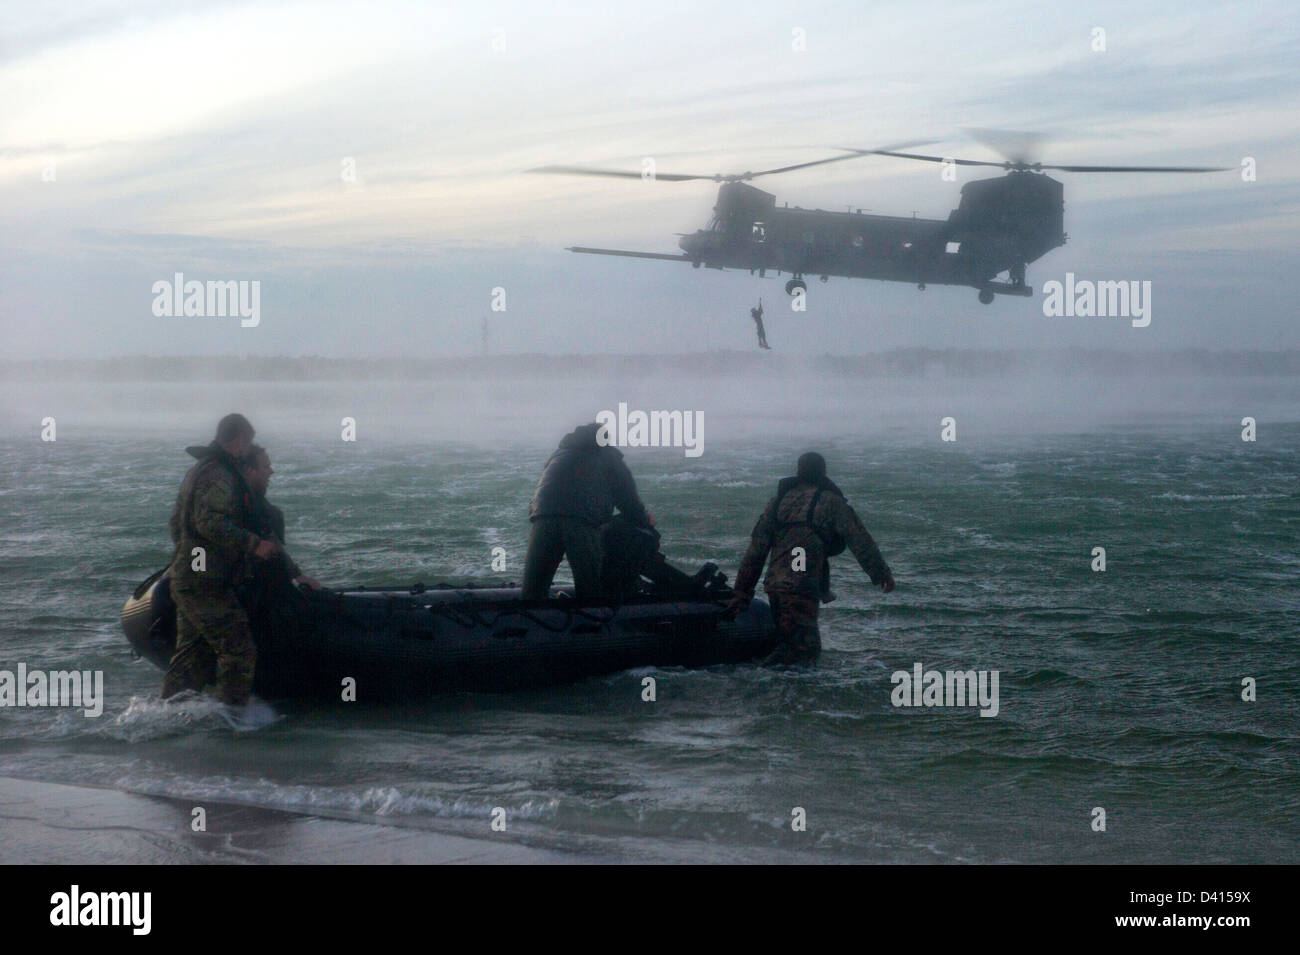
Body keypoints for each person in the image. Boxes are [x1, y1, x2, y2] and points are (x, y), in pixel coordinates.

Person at [725, 452, 895, 665]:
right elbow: (860, 540)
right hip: (801, 589)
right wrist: (881, 574)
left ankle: (772, 689)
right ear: (823, 473)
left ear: (798, 472)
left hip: (776, 588)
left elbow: (756, 551)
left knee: (788, 649)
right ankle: (780, 693)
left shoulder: (779, 502)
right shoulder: (831, 501)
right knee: (804, 655)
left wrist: (742, 593)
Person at [160, 414, 276, 705]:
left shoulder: (198, 470)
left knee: (190, 655)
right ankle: (230, 719)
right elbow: (208, 522)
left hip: (187, 576)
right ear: (237, 440)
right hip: (204, 582)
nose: (247, 450)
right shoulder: (219, 475)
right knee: (239, 650)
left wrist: (186, 558)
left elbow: (177, 523)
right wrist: (252, 544)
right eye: (246, 443)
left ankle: (168, 714)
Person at [521, 422, 654, 601]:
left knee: (533, 591)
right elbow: (627, 498)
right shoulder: (609, 456)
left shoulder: (559, 454)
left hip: (543, 516)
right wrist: (645, 519)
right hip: (581, 521)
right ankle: (591, 625)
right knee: (590, 592)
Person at [238, 444, 321, 592]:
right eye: (265, 467)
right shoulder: (240, 506)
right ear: (250, 472)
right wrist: (297, 576)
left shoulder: (256, 504)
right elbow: (271, 547)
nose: (271, 471)